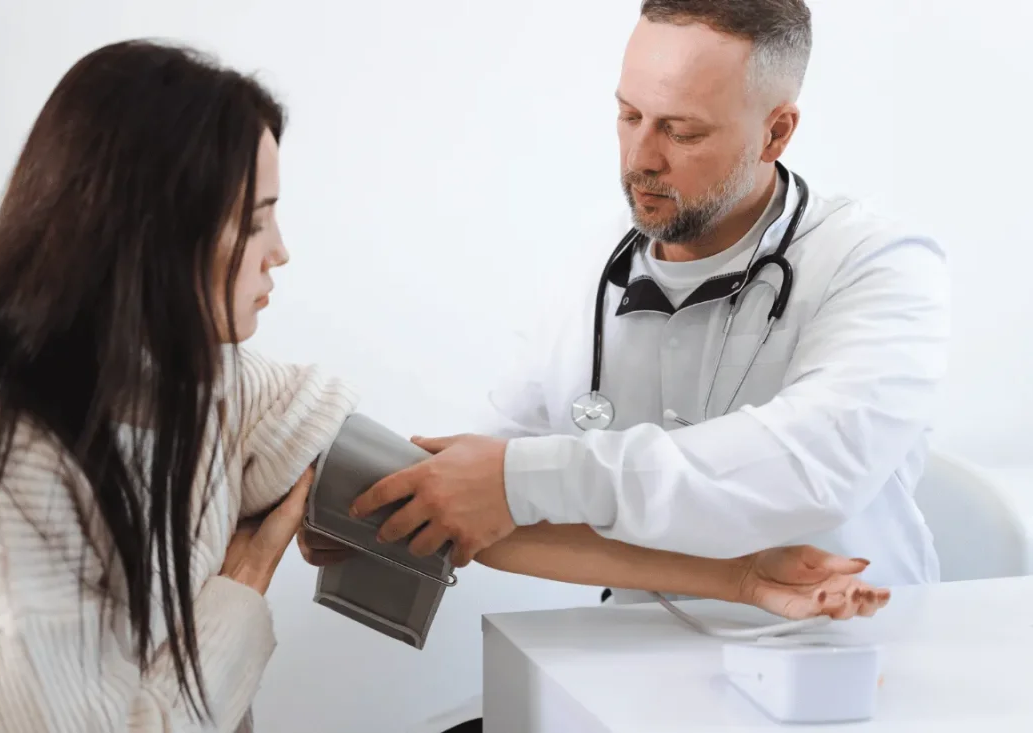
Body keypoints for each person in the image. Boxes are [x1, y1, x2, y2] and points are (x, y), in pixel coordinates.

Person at [0, 39, 889, 733]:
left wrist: (738, 577)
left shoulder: (207, 390)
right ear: (151, 236)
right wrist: (244, 580)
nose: (280, 252)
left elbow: (442, 504)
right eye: (254, 220)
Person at [351, 0, 950, 594]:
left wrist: (523, 478)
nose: (640, 160)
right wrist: (376, 506)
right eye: (629, 115)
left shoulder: (880, 264)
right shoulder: (590, 263)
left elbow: (811, 463)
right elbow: (490, 475)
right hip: (634, 649)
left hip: (848, 649)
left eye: (681, 131)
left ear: (776, 132)